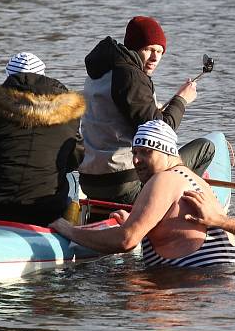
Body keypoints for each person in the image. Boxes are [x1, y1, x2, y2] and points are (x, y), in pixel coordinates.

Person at [50, 120, 235, 268]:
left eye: (146, 152)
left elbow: (126, 240)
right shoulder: (193, 179)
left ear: (167, 152)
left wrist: (70, 231)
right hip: (217, 284)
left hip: (199, 282)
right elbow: (175, 229)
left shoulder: (163, 179)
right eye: (134, 153)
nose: (136, 160)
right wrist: (137, 222)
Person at [78, 16, 215, 205]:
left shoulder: (102, 70)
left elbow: (117, 115)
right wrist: (181, 100)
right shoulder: (130, 76)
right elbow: (160, 133)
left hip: (89, 181)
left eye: (160, 51)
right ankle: (174, 208)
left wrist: (155, 108)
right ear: (134, 48)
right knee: (206, 147)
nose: (155, 57)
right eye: (149, 49)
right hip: (124, 182)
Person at [0, 52, 85, 226]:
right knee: (71, 176)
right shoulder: (67, 113)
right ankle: (71, 228)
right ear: (44, 76)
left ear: (8, 79)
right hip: (45, 214)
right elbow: (76, 160)